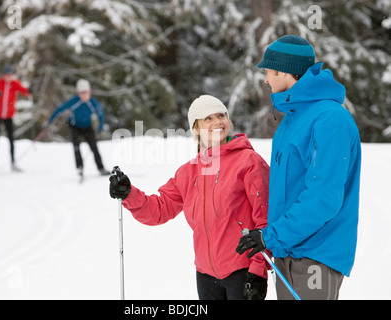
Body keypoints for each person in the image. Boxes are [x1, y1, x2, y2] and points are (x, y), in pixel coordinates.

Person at [236, 35, 362, 300]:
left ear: (285, 71)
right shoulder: (292, 120)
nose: (266, 79)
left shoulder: (329, 118)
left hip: (315, 254)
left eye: (269, 71)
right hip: (288, 251)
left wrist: (273, 236)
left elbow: (323, 197)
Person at [109, 95, 271, 300]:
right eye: (208, 119)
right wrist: (129, 194)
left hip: (241, 271)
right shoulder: (189, 172)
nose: (217, 122)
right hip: (205, 275)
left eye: (221, 116)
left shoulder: (249, 161)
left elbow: (265, 219)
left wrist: (258, 271)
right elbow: (158, 209)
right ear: (196, 128)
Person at [46, 79, 110, 177]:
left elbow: (101, 116)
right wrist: (49, 121)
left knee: (94, 147)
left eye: (86, 93)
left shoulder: (94, 103)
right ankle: (80, 167)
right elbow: (59, 109)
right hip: (74, 126)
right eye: (81, 93)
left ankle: (101, 168)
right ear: (78, 93)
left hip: (87, 127)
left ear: (89, 92)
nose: (84, 95)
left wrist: (99, 129)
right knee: (76, 147)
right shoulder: (74, 101)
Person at [0, 66, 30, 171]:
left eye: (10, 75)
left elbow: (25, 92)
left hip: (8, 116)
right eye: (6, 75)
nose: (8, 77)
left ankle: (13, 162)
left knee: (11, 139)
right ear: (3, 75)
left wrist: (29, 91)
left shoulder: (14, 83)